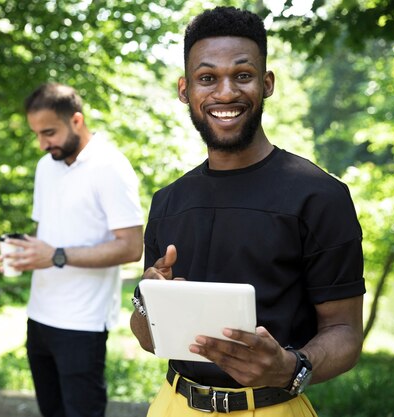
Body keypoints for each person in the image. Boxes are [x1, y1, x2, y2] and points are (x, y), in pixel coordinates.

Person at [130, 6, 365, 417]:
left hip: (273, 407)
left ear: (266, 83)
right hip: (173, 405)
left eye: (242, 75)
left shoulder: (320, 196)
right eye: (208, 78)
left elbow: (345, 332)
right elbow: (149, 338)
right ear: (185, 90)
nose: (225, 93)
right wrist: (146, 297)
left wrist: (292, 367)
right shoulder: (167, 202)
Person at [0, 82, 144, 417]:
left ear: (76, 120)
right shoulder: (44, 166)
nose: (42, 143)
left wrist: (56, 256)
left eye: (49, 132)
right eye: (36, 134)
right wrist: (24, 256)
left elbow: (131, 247)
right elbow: (48, 235)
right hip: (39, 317)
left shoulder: (111, 166)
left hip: (82, 323)